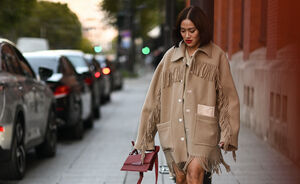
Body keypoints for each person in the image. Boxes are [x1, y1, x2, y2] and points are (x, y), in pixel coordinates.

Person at [134, 6, 240, 184]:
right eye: (183, 31)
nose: (187, 35)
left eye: (192, 30)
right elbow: (154, 98)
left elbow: (228, 98)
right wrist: (145, 138)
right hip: (173, 130)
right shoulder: (169, 57)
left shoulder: (217, 56)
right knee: (181, 179)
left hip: (203, 130)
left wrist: (229, 134)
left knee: (195, 173)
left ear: (202, 30)